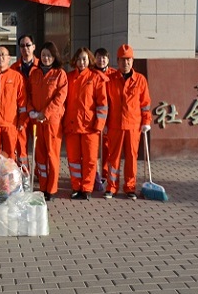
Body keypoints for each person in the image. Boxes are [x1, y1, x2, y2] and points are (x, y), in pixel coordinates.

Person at [104, 44, 152, 200]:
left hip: (133, 126)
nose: (126, 63)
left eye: (128, 60)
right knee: (113, 158)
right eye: (123, 60)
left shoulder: (140, 80)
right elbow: (105, 104)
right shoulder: (110, 79)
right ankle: (111, 187)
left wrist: (146, 121)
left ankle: (130, 187)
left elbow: (145, 104)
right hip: (115, 125)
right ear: (117, 61)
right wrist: (103, 124)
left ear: (132, 61)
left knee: (131, 157)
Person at [63, 47, 108, 200]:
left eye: (84, 59)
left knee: (90, 160)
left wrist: (99, 125)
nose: (82, 62)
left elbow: (102, 104)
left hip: (90, 127)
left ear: (89, 60)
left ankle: (87, 188)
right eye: (79, 59)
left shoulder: (96, 78)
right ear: (75, 60)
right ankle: (76, 187)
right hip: (72, 126)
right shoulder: (68, 77)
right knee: (73, 160)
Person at [27, 42, 68, 201]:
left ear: (54, 57)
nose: (46, 58)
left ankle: (51, 188)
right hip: (37, 121)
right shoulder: (34, 74)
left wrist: (46, 113)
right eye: (43, 55)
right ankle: (43, 186)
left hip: (52, 122)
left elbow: (60, 98)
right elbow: (28, 94)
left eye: (49, 55)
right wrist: (31, 110)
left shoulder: (59, 74)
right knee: (40, 156)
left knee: (52, 155)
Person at [11, 34, 40, 169]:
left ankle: (40, 174)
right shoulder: (14, 68)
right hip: (21, 112)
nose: (25, 48)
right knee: (21, 145)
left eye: (28, 45)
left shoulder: (41, 66)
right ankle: (24, 173)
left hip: (37, 111)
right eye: (22, 46)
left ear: (34, 47)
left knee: (39, 146)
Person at [94, 47, 116, 188]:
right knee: (94, 148)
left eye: (104, 57)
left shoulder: (113, 74)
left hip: (110, 116)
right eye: (98, 57)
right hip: (95, 116)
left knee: (107, 148)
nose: (101, 60)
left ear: (108, 59)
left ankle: (105, 173)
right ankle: (95, 174)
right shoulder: (91, 73)